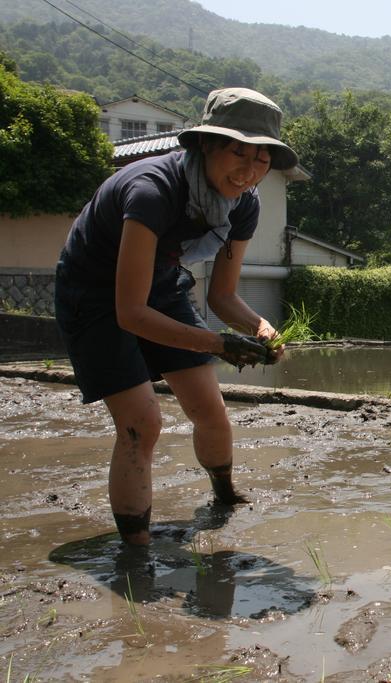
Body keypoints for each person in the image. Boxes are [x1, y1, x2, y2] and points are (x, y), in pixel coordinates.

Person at [54, 87, 299, 545]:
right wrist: (219, 343)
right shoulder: (152, 190)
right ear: (205, 144)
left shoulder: (244, 203)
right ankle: (137, 549)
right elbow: (129, 312)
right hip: (93, 292)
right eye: (237, 153)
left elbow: (224, 296)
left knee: (209, 407)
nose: (248, 172)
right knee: (141, 423)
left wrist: (261, 328)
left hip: (162, 283)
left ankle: (225, 497)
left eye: (261, 160)